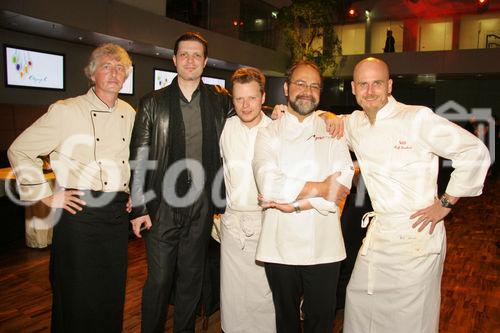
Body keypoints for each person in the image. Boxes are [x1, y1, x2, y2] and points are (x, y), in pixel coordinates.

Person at [340, 57, 491, 333]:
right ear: (353, 88)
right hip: (379, 236)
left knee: (409, 321)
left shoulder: (417, 118)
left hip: (417, 238)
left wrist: (446, 203)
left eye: (377, 83)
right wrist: (280, 111)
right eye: (363, 84)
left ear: (389, 85)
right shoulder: (355, 124)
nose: (370, 90)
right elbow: (325, 123)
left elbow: (474, 152)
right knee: (359, 308)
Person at [8, 43, 135, 332]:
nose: (114, 73)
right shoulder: (66, 110)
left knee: (111, 291)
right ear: (92, 74)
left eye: (120, 68)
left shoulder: (129, 111)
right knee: (77, 292)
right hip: (80, 214)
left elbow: (131, 158)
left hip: (115, 217)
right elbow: (20, 149)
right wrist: (44, 194)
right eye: (107, 66)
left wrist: (129, 192)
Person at [128, 32, 234, 333]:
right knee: (160, 280)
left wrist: (277, 110)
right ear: (174, 60)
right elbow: (139, 157)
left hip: (202, 204)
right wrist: (139, 208)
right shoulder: (152, 102)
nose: (190, 60)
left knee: (191, 278)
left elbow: (250, 113)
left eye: (196, 55)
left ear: (205, 62)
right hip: (163, 204)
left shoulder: (219, 102)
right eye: (184, 54)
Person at [252, 60, 354, 333]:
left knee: (321, 321)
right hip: (279, 245)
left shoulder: (332, 130)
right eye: (300, 83)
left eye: (314, 85)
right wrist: (321, 189)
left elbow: (343, 181)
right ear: (286, 88)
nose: (307, 91)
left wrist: (295, 205)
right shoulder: (268, 132)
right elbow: (268, 183)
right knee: (285, 321)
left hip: (324, 246)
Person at [219, 67, 275, 332]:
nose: (245, 105)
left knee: (265, 293)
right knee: (233, 297)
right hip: (232, 225)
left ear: (263, 97)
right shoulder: (226, 127)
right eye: (239, 99)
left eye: (252, 98)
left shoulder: (278, 130)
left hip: (268, 223)